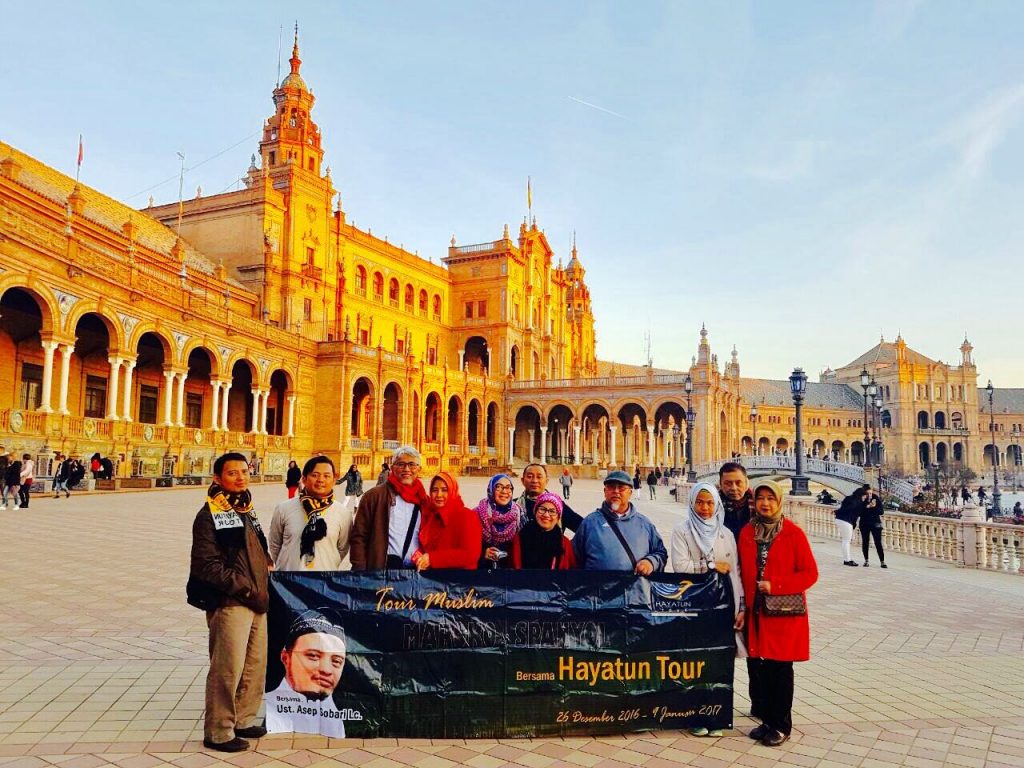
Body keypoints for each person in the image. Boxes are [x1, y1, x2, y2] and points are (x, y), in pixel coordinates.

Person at [187, 452, 272, 752]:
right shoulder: (210, 513)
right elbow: (206, 566)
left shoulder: (245, 508)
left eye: (244, 471)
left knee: (254, 664)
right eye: (232, 473)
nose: (240, 477)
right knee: (228, 667)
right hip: (231, 601)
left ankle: (244, 718)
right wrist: (246, 589)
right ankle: (219, 730)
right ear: (217, 478)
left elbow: (256, 550)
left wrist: (265, 572)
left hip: (257, 599)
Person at [738, 479, 818, 747]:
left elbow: (810, 574)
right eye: (760, 498)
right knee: (763, 669)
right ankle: (768, 721)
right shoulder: (748, 532)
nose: (765, 503)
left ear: (779, 501)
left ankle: (782, 725)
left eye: (770, 498)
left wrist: (776, 585)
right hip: (757, 612)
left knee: (781, 670)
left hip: (783, 614)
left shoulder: (793, 533)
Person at [670, 483, 745, 737]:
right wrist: (712, 565)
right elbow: (680, 566)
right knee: (694, 661)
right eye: (700, 503)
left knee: (719, 661)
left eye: (709, 503)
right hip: (694, 605)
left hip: (721, 605)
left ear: (717, 505)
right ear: (692, 503)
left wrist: (741, 606)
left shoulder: (725, 534)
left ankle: (719, 716)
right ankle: (696, 715)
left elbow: (735, 573)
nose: (704, 508)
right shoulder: (682, 531)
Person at [266, 611, 348, 738]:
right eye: (313, 656)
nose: (326, 670)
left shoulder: (339, 721)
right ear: (285, 657)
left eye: (336, 661)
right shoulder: (264, 710)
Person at [573, 470, 668, 574]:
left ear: (630, 492)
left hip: (635, 589)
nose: (616, 491)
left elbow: (661, 552)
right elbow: (574, 558)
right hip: (599, 588)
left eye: (621, 488)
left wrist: (650, 562)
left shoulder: (644, 524)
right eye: (611, 487)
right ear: (605, 492)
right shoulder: (590, 523)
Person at [269, 456, 353, 571]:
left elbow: (342, 549)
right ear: (304, 479)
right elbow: (275, 544)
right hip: (288, 581)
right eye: (315, 475)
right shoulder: (284, 508)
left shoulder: (343, 513)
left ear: (334, 480)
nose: (320, 480)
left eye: (327, 476)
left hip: (324, 582)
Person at [351, 447, 427, 570]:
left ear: (419, 469)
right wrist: (360, 570)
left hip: (415, 570)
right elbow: (359, 536)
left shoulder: (424, 500)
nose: (406, 469)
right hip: (383, 568)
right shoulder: (374, 496)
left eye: (412, 464)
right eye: (401, 464)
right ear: (392, 468)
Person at [412, 471, 482, 570]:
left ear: (453, 490)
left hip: (459, 581)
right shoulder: (431, 517)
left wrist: (433, 559)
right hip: (435, 581)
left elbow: (470, 555)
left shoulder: (467, 516)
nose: (439, 495)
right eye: (435, 490)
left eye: (444, 490)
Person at [511, 491, 576, 569]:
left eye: (552, 511)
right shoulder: (520, 538)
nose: (546, 515)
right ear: (535, 512)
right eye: (542, 509)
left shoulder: (564, 544)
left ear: (558, 517)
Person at [516, 463, 584, 531]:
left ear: (546, 481)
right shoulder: (514, 506)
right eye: (530, 476)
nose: (534, 480)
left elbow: (583, 528)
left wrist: (568, 542)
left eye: (539, 477)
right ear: (522, 480)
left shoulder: (558, 506)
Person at [476, 474, 523, 569]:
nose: (504, 491)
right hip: (483, 571)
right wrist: (482, 553)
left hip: (509, 571)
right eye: (498, 487)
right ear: (490, 490)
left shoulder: (519, 514)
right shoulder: (476, 514)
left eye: (508, 487)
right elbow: (469, 547)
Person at [718, 462, 754, 541]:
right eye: (728, 483)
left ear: (746, 483)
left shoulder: (757, 505)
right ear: (720, 484)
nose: (734, 488)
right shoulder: (713, 507)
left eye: (738, 483)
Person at [834, 488, 862, 566]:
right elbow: (854, 513)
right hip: (846, 521)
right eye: (864, 496)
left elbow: (843, 508)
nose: (865, 498)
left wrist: (837, 512)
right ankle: (847, 560)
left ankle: (847, 559)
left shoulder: (848, 498)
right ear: (861, 495)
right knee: (846, 541)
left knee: (845, 540)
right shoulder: (857, 502)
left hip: (839, 519)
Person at [859, 488, 886, 568]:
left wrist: (873, 506)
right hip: (864, 524)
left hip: (875, 523)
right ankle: (866, 560)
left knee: (878, 543)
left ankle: (882, 561)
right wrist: (867, 506)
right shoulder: (862, 500)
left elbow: (881, 512)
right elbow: (860, 512)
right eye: (868, 493)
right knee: (865, 542)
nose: (869, 495)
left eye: (870, 493)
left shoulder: (876, 499)